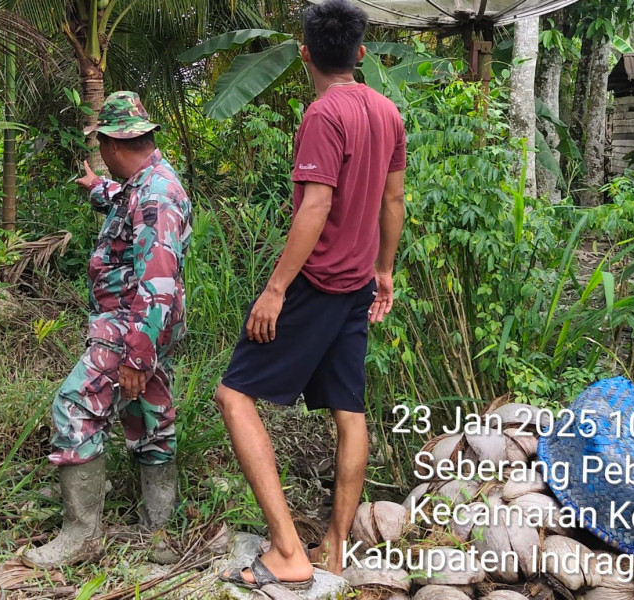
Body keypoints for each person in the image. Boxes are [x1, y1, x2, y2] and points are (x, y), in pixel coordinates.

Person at [215, 0, 406, 590]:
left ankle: (287, 550)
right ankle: (336, 544)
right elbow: (392, 202)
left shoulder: (324, 114)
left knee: (233, 395)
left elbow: (317, 206)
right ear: (361, 53)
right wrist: (384, 269)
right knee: (350, 412)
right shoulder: (387, 111)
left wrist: (275, 289)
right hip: (355, 284)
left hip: (318, 283)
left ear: (304, 53)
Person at [22, 91, 192, 569]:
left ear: (112, 144)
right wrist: (98, 187)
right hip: (149, 326)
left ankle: (82, 534)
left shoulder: (155, 195)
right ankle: (159, 524)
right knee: (151, 416)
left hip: (131, 326)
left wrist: (137, 356)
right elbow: (126, 204)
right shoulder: (146, 183)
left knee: (74, 407)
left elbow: (158, 279)